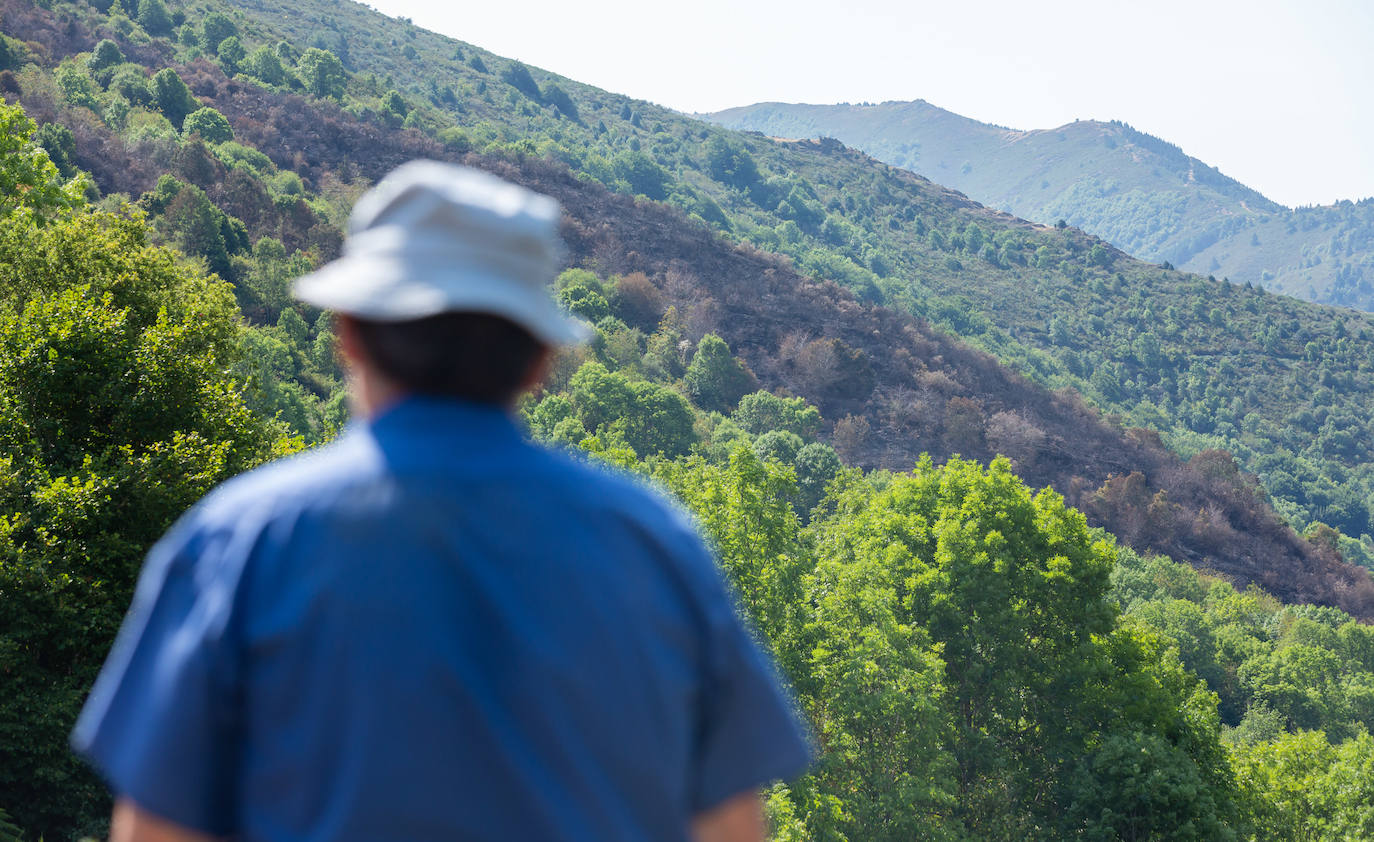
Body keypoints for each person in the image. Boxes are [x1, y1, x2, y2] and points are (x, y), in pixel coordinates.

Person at [71, 161, 812, 842]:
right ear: (541, 359)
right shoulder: (658, 546)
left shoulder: (239, 545)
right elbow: (731, 827)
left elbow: (155, 832)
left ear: (349, 334)